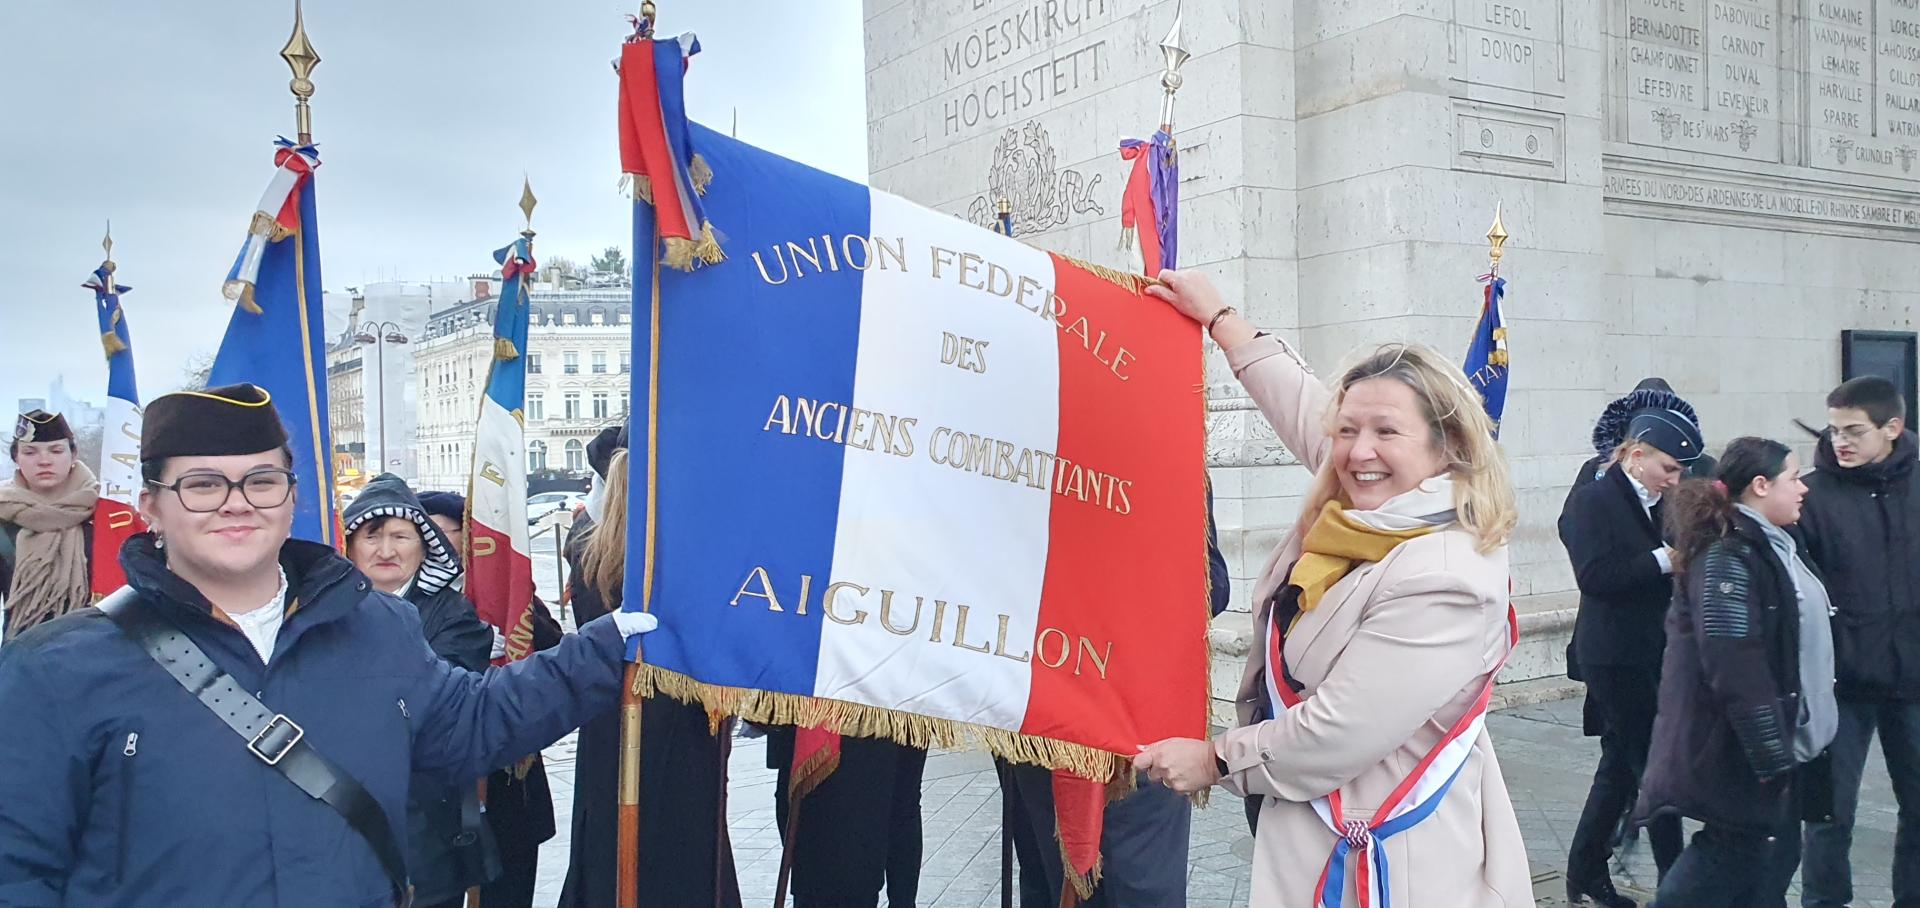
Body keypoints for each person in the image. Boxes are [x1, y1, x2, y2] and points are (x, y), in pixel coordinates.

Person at [0, 383, 656, 907]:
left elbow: (477, 722)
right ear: (151, 506)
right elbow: (18, 865)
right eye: (202, 484)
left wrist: (606, 642)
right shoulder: (57, 671)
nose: (236, 504)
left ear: (290, 500)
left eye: (261, 481)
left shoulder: (377, 630)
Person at [1132, 271, 1534, 908]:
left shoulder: (1446, 576)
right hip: (1310, 812)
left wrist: (1215, 759)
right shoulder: (1371, 508)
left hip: (1380, 854)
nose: (1356, 451)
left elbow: (1335, 731)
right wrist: (1221, 320)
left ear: (1447, 446)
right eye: (1347, 430)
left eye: (1385, 432)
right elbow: (1303, 408)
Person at [1000, 481, 1232, 907]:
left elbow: (1215, 587)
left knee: (1145, 889)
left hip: (1142, 731)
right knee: (1052, 883)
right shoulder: (1028, 454)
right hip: (1047, 727)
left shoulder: (1166, 455)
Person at [1636, 436, 1837, 907]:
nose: (1804, 488)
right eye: (1794, 478)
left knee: (1765, 869)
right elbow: (1735, 663)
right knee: (1728, 859)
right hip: (1749, 754)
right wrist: (1771, 756)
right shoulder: (1730, 556)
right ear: (1762, 486)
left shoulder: (1775, 543)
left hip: (1784, 748)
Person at [559, 437, 743, 908]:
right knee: (683, 841)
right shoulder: (681, 550)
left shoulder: (585, 544)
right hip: (676, 711)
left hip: (608, 712)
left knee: (608, 836)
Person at [1560, 387, 1703, 905]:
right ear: (1636, 454)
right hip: (1614, 657)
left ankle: (1584, 874)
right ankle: (1677, 885)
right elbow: (1595, 575)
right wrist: (1665, 560)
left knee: (1622, 768)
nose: (1675, 478)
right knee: (1652, 769)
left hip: (1653, 650)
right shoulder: (1594, 498)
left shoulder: (1661, 499)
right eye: (1668, 467)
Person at [343, 474, 498, 908]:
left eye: (401, 537)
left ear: (425, 545)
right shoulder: (318, 616)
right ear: (350, 546)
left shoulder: (455, 617)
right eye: (372, 536)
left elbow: (433, 703)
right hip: (341, 826)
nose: (386, 551)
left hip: (428, 826)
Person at [1796, 376, 1920, 908]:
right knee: (1829, 814)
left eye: (1853, 431)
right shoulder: (1810, 494)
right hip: (1839, 683)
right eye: (1832, 430)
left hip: (1913, 678)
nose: (1839, 441)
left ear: (1891, 428)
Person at [417, 489, 564, 908]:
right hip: (438, 792)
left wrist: (516, 620)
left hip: (507, 781)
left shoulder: (508, 591)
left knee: (508, 888)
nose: (437, 544)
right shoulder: (409, 602)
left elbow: (552, 651)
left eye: (447, 533)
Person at [0, 409, 99, 639]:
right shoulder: (3, 520)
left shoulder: (108, 516)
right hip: (21, 658)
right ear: (16, 457)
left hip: (93, 656)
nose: (44, 461)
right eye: (30, 452)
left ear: (74, 455)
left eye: (56, 450)